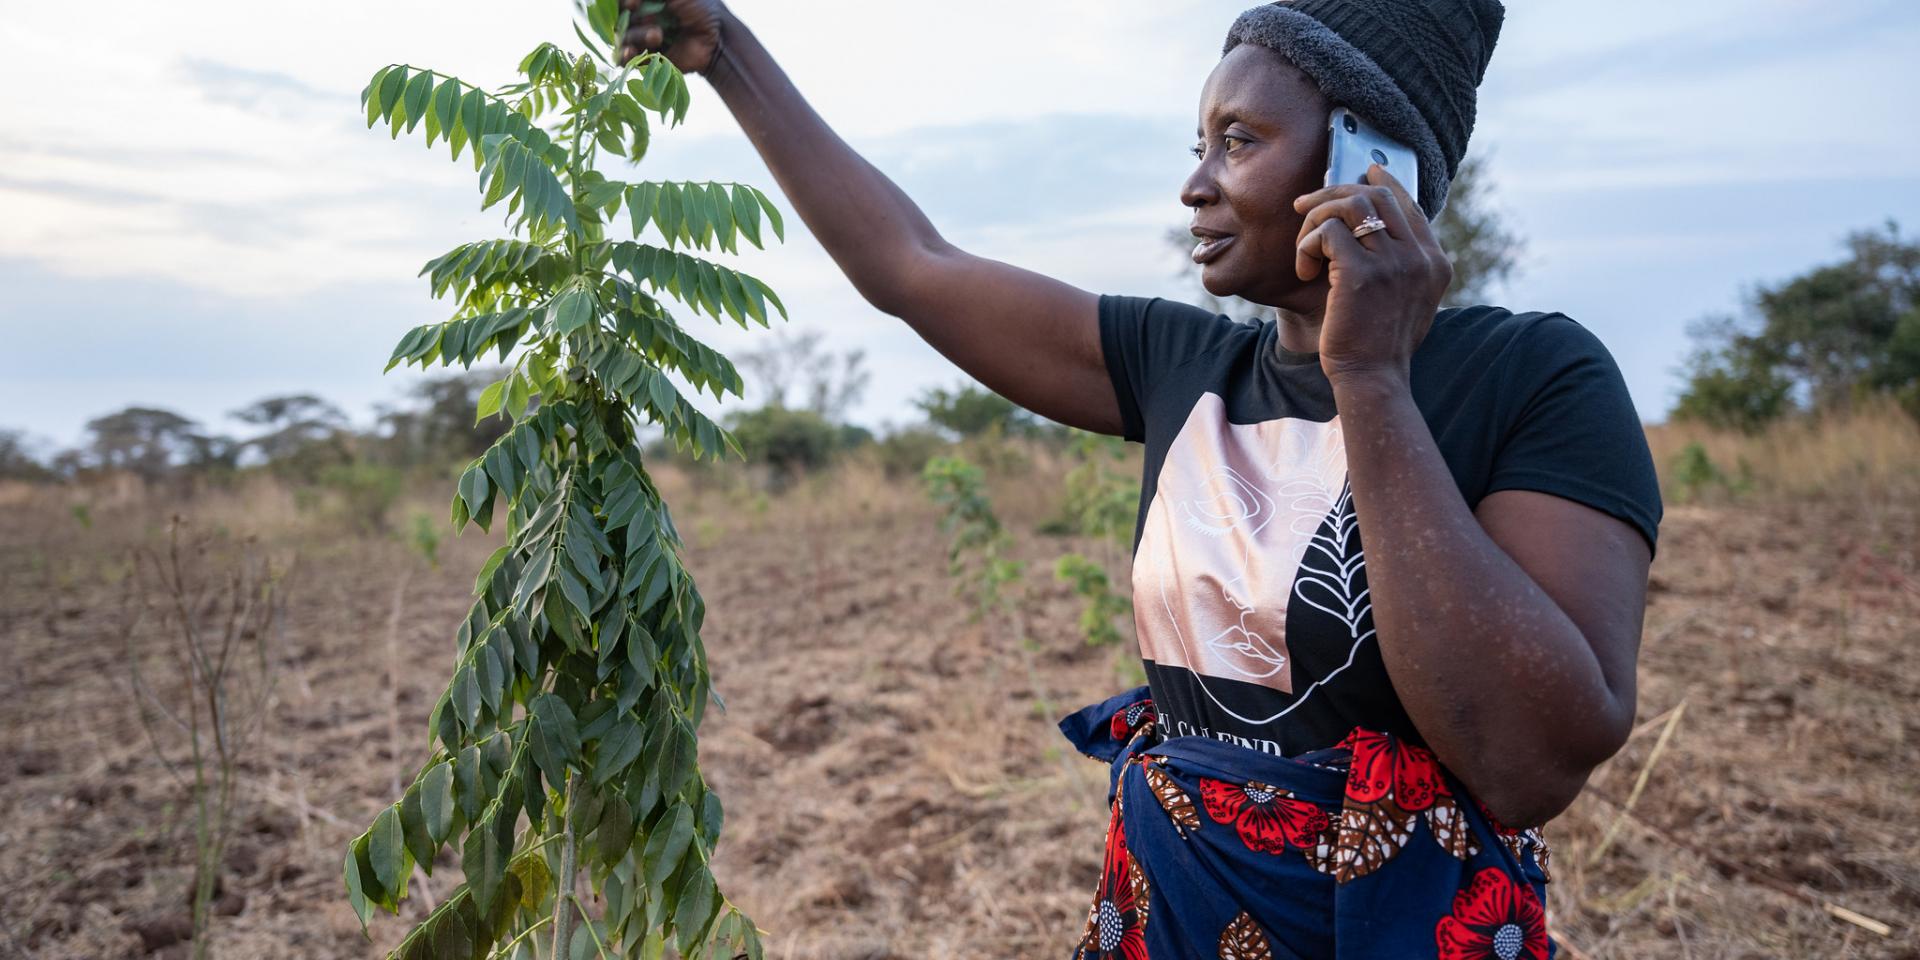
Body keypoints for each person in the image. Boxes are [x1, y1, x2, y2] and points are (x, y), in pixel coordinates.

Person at [624, 0, 1661, 955]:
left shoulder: (1536, 378)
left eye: (1240, 142)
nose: (1195, 183)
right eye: (1199, 145)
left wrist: (1372, 381)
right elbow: (912, 264)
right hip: (1172, 922)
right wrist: (728, 55)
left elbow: (1531, 762)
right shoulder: (1184, 367)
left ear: (1368, 163)